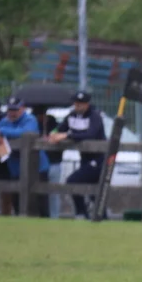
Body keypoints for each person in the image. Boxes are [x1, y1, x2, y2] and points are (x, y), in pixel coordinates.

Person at [0, 95, 51, 217]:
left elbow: (24, 133)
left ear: (22, 108)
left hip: (37, 168)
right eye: (10, 110)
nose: (12, 113)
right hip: (16, 169)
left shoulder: (30, 119)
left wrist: (1, 132)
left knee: (41, 204)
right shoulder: (6, 121)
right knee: (17, 203)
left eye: (15, 110)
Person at [49, 90, 106, 219]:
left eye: (81, 103)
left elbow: (90, 134)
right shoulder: (72, 116)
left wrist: (68, 135)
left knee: (73, 181)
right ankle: (102, 217)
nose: (78, 106)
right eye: (76, 103)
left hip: (98, 159)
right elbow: (60, 128)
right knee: (93, 193)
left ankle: (81, 213)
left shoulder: (95, 117)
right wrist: (53, 133)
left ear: (87, 104)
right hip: (84, 159)